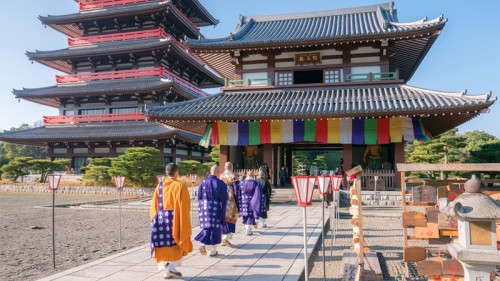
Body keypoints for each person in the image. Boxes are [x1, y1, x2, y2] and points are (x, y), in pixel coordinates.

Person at [149, 163, 193, 279]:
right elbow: (185, 206)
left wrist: (154, 220)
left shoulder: (159, 186)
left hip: (161, 219)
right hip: (175, 219)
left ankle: (167, 270)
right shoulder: (180, 186)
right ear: (176, 173)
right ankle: (170, 266)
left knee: (163, 244)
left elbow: (153, 206)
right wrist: (184, 220)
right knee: (175, 242)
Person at [195, 165, 228, 257]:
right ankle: (211, 250)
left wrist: (200, 209)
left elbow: (199, 196)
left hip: (204, 207)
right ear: (218, 172)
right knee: (215, 229)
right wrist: (223, 212)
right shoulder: (220, 183)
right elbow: (224, 199)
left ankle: (205, 245)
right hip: (215, 208)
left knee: (207, 227)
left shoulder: (203, 182)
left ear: (210, 171)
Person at [219, 162, 239, 247]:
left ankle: (223, 235)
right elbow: (237, 189)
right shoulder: (233, 176)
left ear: (224, 167)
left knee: (224, 216)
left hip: (222, 197)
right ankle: (226, 237)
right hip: (231, 197)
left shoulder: (221, 176)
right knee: (231, 216)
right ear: (231, 167)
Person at [238, 171, 263, 236]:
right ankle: (248, 230)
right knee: (250, 216)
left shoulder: (242, 183)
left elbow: (239, 193)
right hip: (252, 201)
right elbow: (258, 194)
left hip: (243, 201)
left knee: (246, 216)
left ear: (246, 175)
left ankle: (247, 228)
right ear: (252, 176)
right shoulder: (255, 183)